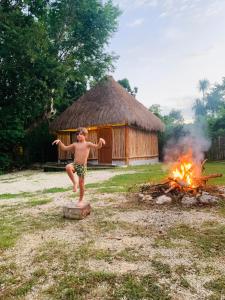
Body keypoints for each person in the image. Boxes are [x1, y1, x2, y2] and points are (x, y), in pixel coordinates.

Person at [52, 127, 105, 205]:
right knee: (68, 167)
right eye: (77, 134)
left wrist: (100, 141)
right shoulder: (75, 144)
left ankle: (81, 200)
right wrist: (59, 142)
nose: (79, 135)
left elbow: (98, 147)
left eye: (81, 134)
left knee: (81, 184)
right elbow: (65, 148)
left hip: (82, 166)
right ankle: (74, 183)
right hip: (75, 164)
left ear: (85, 136)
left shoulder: (88, 144)